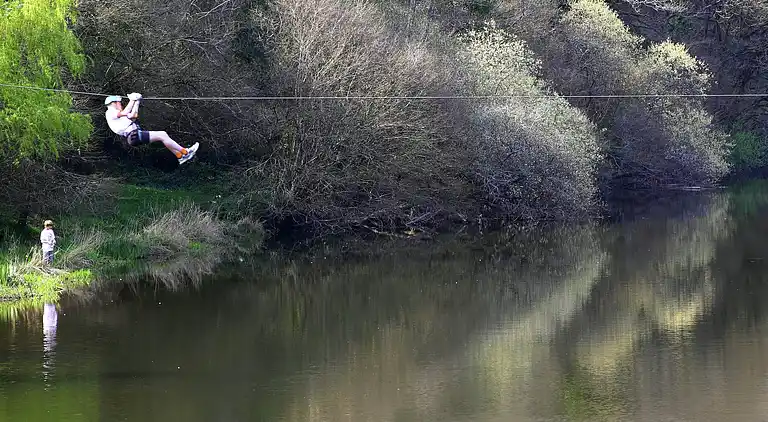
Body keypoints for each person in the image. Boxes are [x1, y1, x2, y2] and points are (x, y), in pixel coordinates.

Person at [104, 93, 199, 164]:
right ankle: (185, 152)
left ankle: (180, 156)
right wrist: (132, 99)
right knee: (162, 135)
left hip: (135, 136)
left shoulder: (118, 115)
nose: (121, 105)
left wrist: (137, 102)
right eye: (119, 103)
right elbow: (126, 111)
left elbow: (133, 115)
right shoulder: (110, 112)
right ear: (114, 103)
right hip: (134, 136)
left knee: (163, 135)